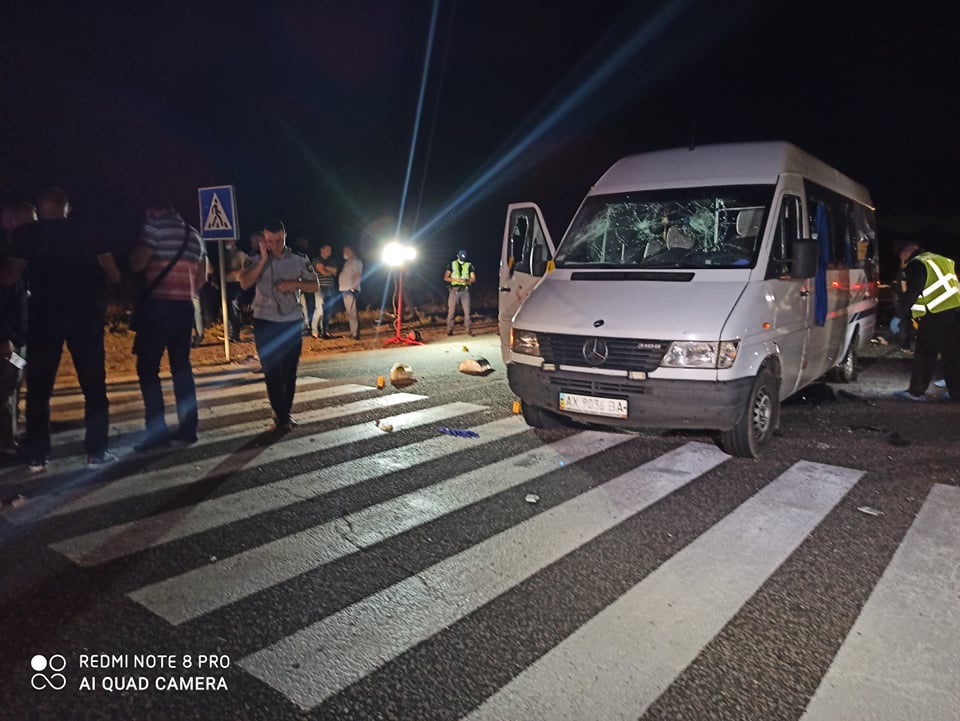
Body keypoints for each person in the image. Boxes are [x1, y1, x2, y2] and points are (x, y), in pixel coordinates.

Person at [0, 187, 120, 471]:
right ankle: (96, 453)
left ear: (42, 209)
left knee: (40, 388)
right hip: (85, 316)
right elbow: (112, 272)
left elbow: (8, 278)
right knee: (93, 387)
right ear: (66, 208)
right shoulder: (90, 230)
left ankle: (38, 454)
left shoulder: (28, 234)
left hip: (45, 317)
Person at [129, 199, 207, 451]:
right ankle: (188, 428)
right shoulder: (194, 235)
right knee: (181, 368)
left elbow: (137, 263)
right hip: (183, 308)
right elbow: (204, 273)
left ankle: (157, 433)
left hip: (157, 308)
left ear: (156, 209)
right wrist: (187, 291)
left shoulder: (154, 228)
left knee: (148, 368)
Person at [239, 219, 319, 432]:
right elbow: (245, 282)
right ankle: (281, 416)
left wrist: (295, 284)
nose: (274, 245)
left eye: (278, 240)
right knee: (271, 370)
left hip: (290, 321)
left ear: (284, 236)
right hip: (264, 321)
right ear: (263, 239)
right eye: (269, 241)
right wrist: (263, 260)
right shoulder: (254, 258)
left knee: (289, 370)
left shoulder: (299, 259)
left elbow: (314, 285)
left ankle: (285, 413)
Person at [890, 239, 960, 401]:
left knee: (925, 351)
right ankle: (956, 392)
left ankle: (916, 392)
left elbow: (912, 293)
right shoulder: (942, 260)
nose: (903, 261)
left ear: (905, 252)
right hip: (956, 310)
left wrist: (899, 316)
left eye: (902, 257)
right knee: (952, 353)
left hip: (938, 312)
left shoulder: (917, 264)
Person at [0, 201, 35, 461]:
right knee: (7, 387)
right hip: (8, 340)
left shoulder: (17, 251)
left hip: (16, 337)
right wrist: (4, 338)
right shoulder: (5, 253)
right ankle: (6, 444)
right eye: (30, 220)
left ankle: (10, 436)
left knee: (14, 383)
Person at [222, 236, 249, 342]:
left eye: (229, 239)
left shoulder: (240, 254)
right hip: (226, 285)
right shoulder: (224, 253)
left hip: (236, 285)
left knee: (234, 309)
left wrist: (235, 272)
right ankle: (230, 333)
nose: (227, 242)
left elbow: (248, 268)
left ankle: (235, 334)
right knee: (227, 309)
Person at [444, 249, 476, 335]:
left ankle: (468, 329)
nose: (462, 260)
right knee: (451, 311)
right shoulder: (452, 264)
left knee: (467, 311)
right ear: (457, 256)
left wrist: (467, 280)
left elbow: (473, 279)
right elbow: (446, 277)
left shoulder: (469, 265)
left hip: (464, 290)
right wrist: (455, 279)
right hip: (454, 290)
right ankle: (449, 330)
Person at [312, 243, 338, 338]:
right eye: (327, 249)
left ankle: (325, 330)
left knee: (328, 310)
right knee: (319, 309)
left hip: (330, 287)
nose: (329, 252)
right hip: (320, 287)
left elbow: (335, 270)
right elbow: (322, 271)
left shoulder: (332, 260)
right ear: (321, 250)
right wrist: (328, 270)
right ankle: (314, 330)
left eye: (330, 250)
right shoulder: (316, 259)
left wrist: (325, 268)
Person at [292, 235, 316, 334]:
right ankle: (302, 326)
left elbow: (311, 270)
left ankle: (308, 325)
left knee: (309, 305)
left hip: (306, 283)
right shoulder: (294, 253)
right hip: (297, 284)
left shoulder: (306, 254)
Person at [339, 245, 363, 340]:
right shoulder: (348, 262)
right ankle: (353, 332)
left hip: (350, 290)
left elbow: (358, 274)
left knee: (352, 313)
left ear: (352, 252)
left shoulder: (356, 262)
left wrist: (353, 287)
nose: (344, 253)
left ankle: (355, 334)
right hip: (345, 290)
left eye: (346, 251)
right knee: (350, 313)